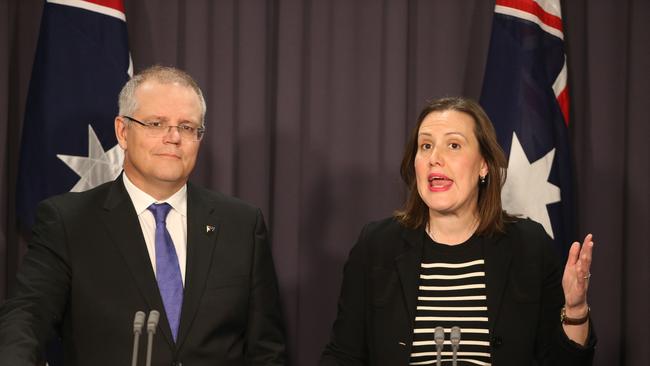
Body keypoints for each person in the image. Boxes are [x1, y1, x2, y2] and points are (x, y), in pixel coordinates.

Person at [0, 66, 287, 365]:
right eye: (156, 123)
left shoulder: (241, 225)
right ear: (123, 132)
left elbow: (267, 350)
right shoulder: (68, 221)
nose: (173, 137)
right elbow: (26, 316)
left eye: (187, 127)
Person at [320, 97, 596, 365]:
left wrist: (575, 311)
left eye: (453, 145)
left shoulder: (530, 246)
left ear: (484, 165)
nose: (434, 158)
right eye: (425, 145)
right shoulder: (377, 246)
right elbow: (343, 355)